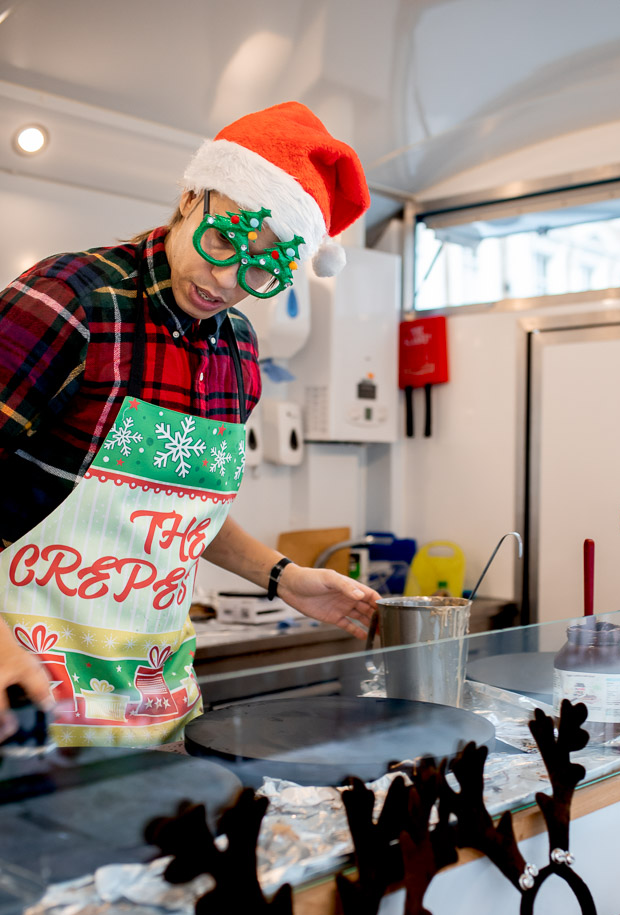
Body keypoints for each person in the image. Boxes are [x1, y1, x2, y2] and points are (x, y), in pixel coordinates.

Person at [0, 102, 379, 746]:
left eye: (261, 267)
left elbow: (170, 506)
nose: (227, 280)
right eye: (225, 239)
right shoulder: (73, 298)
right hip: (25, 715)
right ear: (190, 197)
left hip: (157, 717)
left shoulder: (237, 349)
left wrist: (285, 577)